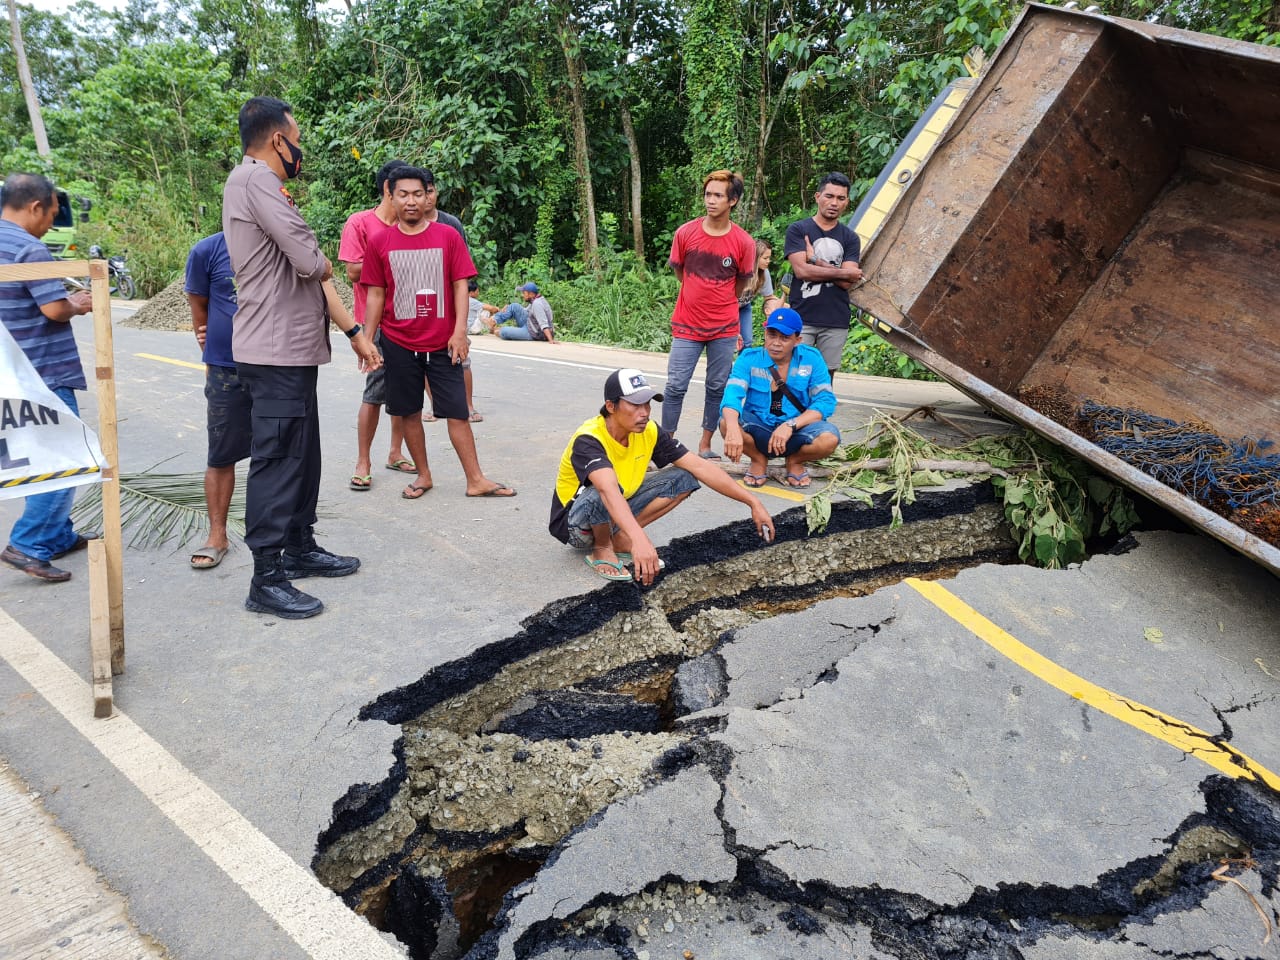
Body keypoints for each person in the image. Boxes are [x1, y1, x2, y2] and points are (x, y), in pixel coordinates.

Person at [222, 96, 380, 619]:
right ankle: (266, 577)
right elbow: (311, 262)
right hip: (273, 351)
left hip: (290, 350)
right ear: (277, 140)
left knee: (301, 452)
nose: (299, 150)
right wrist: (321, 259)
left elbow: (308, 269)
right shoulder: (255, 180)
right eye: (296, 140)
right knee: (278, 458)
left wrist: (352, 330)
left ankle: (298, 545)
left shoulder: (257, 184)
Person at [361, 166, 515, 500]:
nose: (411, 201)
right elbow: (376, 294)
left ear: (428, 195)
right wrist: (366, 340)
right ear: (390, 196)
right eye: (403, 194)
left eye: (418, 194)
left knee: (457, 412)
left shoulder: (447, 236)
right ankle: (424, 476)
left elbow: (461, 285)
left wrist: (460, 332)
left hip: (444, 343)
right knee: (409, 412)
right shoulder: (379, 242)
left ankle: (476, 479)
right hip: (398, 342)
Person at [550, 368, 773, 585]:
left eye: (647, 403)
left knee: (685, 476)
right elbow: (607, 491)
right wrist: (640, 539)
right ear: (611, 406)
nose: (645, 412)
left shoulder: (648, 430)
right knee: (603, 488)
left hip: (615, 507)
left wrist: (753, 502)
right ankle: (602, 547)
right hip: (577, 524)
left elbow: (700, 466)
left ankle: (619, 538)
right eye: (635, 404)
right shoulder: (589, 438)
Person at [0, 173, 95, 582]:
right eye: (53, 215)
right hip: (42, 372)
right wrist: (77, 303)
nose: (51, 225)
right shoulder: (29, 247)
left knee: (37, 456)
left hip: (11, 371)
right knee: (65, 458)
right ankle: (28, 543)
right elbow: (53, 309)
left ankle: (56, 535)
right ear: (35, 206)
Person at [662, 170, 756, 460]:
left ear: (732, 201)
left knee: (716, 387)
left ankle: (705, 445)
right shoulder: (685, 234)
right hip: (687, 324)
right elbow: (680, 272)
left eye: (718, 195)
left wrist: (719, 300)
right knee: (675, 386)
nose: (710, 200)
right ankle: (666, 447)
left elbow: (740, 284)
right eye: (708, 194)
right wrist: (697, 292)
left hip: (724, 328)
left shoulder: (743, 242)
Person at [340, 158, 414, 490]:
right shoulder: (360, 223)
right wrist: (392, 255)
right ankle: (363, 461)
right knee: (374, 391)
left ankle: (395, 452)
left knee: (403, 390)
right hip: (376, 323)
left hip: (409, 320)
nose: (410, 199)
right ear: (388, 189)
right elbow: (353, 271)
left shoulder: (411, 224)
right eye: (403, 191)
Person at [721, 307, 840, 489]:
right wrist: (731, 429)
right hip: (760, 427)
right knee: (725, 422)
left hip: (796, 431)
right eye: (772, 335)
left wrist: (791, 425)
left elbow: (825, 401)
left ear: (797, 340)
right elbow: (732, 395)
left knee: (829, 439)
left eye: (784, 338)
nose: (776, 343)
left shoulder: (812, 359)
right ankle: (758, 459)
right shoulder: (748, 358)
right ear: (765, 334)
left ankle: (795, 460)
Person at [185, 232, 248, 569]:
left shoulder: (283, 241)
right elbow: (199, 304)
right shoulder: (207, 251)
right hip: (226, 367)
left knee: (281, 451)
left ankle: (283, 533)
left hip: (278, 366)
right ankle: (217, 535)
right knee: (221, 453)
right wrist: (208, 346)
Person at [415, 170, 482, 422]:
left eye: (430, 191)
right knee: (423, 356)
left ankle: (468, 405)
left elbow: (462, 267)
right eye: (421, 193)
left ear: (436, 192)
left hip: (450, 300)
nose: (426, 198)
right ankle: (435, 405)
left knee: (461, 355)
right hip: (423, 301)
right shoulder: (408, 224)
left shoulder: (451, 224)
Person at [784, 172, 864, 375]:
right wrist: (842, 273)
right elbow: (802, 271)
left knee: (825, 379)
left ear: (847, 202)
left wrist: (815, 260)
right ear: (818, 196)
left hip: (835, 320)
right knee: (794, 375)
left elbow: (847, 282)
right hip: (802, 317)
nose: (834, 203)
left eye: (841, 198)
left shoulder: (850, 238)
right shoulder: (798, 230)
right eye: (829, 196)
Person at [737, 238, 784, 352]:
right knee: (730, 340)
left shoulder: (764, 272)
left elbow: (769, 297)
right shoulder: (740, 270)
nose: (768, 261)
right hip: (727, 307)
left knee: (747, 342)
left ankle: (744, 363)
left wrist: (784, 300)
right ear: (755, 258)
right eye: (765, 258)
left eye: (769, 258)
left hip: (744, 307)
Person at [484, 282, 556, 343]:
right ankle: (493, 321)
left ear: (531, 294)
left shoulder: (537, 304)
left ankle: (497, 330)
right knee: (514, 306)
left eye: (524, 293)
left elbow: (544, 324)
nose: (522, 295)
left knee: (504, 331)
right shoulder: (535, 299)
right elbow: (525, 311)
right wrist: (508, 308)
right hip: (531, 324)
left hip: (535, 333)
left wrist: (550, 340)